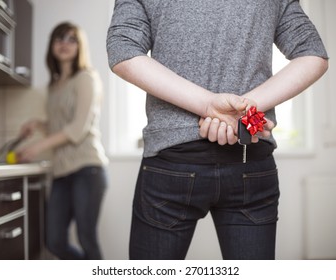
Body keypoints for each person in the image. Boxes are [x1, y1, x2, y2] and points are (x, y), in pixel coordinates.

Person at [106, 0, 328, 260]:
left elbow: (123, 50)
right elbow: (314, 55)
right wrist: (245, 110)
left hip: (173, 159)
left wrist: (212, 106)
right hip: (249, 150)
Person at [18, 22, 109, 260]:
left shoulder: (87, 78)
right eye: (59, 38)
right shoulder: (54, 86)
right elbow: (59, 128)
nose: (64, 43)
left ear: (80, 47)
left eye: (71, 39)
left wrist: (36, 147)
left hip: (87, 169)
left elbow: (77, 129)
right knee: (54, 241)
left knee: (86, 237)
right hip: (61, 172)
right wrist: (39, 125)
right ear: (52, 46)